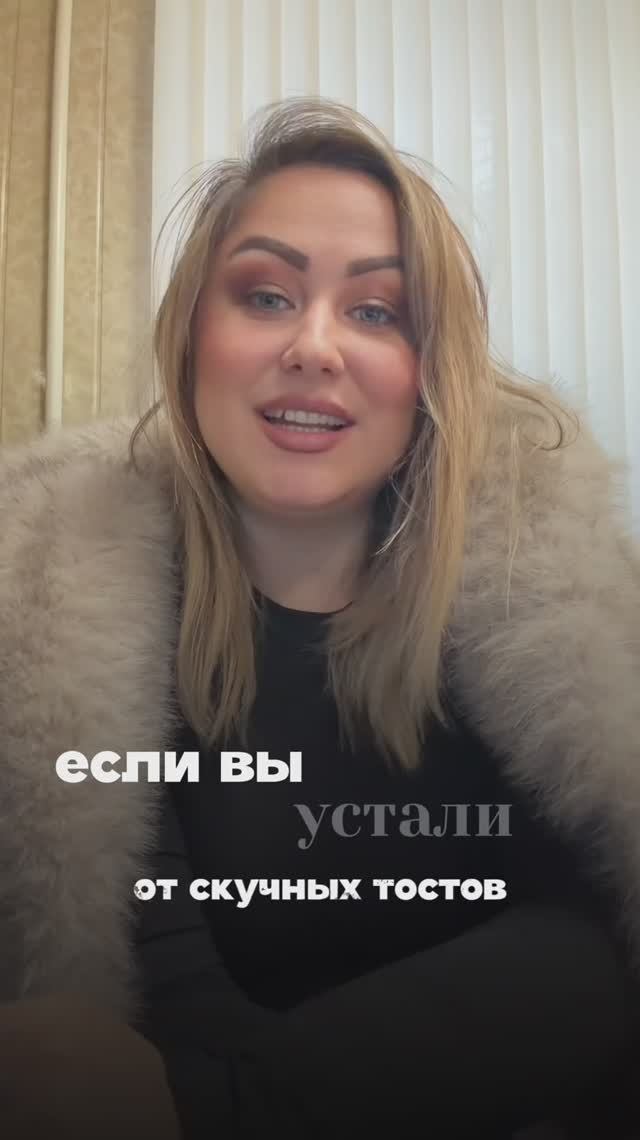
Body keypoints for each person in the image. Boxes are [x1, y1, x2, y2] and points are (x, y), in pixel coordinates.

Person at [0, 95, 639, 1139]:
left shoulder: (565, 607)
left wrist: (222, 1110)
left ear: (432, 370)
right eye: (264, 295)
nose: (314, 346)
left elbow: (595, 949)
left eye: (377, 312)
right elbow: (144, 1002)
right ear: (191, 335)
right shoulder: (48, 611)